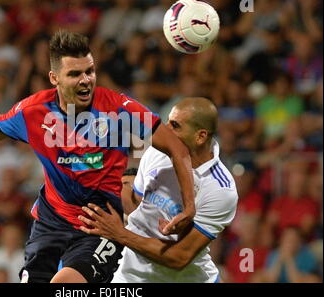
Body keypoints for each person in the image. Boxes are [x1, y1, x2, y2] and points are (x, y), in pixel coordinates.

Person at [0, 31, 195, 283]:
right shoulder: (33, 111)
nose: (86, 81)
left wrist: (189, 206)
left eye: (90, 71)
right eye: (75, 74)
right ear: (54, 78)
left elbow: (178, 148)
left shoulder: (120, 110)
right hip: (50, 221)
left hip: (98, 224)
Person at [79, 97, 238, 282]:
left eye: (175, 125)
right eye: (167, 122)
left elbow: (180, 257)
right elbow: (136, 205)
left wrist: (120, 234)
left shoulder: (219, 189)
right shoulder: (156, 153)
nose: (166, 130)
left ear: (201, 136)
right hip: (133, 276)